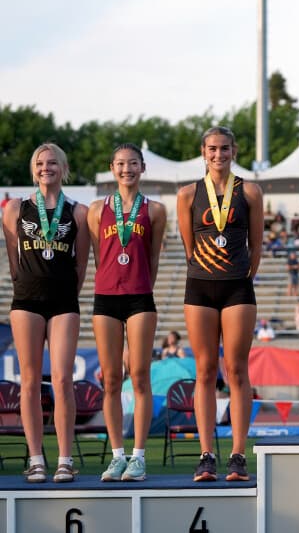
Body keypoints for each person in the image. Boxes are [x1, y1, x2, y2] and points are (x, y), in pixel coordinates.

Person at [177, 126, 263, 482]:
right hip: (200, 287)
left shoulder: (251, 191)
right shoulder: (187, 194)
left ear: (234, 150)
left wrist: (240, 274)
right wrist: (207, 268)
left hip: (237, 288)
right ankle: (207, 454)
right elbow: (188, 245)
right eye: (212, 149)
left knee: (238, 371)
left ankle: (238, 455)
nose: (218, 155)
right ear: (203, 151)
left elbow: (256, 246)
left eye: (224, 148)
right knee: (204, 371)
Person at [2, 143, 90, 483]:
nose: (45, 167)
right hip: (26, 301)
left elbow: (81, 264)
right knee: (28, 382)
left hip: (64, 302)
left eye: (52, 162)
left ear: (63, 167)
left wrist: (65, 291)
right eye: (40, 162)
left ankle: (65, 459)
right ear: (33, 168)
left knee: (63, 380)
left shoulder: (78, 211)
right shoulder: (15, 208)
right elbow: (14, 261)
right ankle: (36, 459)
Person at [87, 143, 166, 482]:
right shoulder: (95, 210)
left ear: (143, 167)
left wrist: (139, 284)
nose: (126, 169)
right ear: (112, 168)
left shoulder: (156, 210)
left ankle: (138, 457)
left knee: (141, 376)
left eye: (133, 163)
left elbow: (153, 258)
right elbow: (98, 255)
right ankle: (117, 456)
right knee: (111, 380)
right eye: (120, 164)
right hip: (105, 297)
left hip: (139, 297)